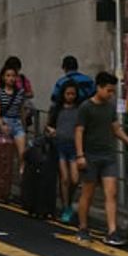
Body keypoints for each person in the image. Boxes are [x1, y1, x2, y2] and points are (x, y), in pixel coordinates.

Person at [75, 72, 128, 246]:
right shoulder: (86, 107)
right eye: (108, 90)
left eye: (112, 91)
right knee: (87, 194)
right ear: (98, 87)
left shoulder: (110, 107)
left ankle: (112, 231)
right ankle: (83, 227)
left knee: (110, 193)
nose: (111, 94)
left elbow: (115, 128)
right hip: (90, 156)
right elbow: (79, 131)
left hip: (108, 156)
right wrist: (80, 155)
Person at [46, 81, 82, 224]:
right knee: (65, 179)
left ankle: (69, 204)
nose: (70, 97)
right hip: (60, 145)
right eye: (68, 94)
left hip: (74, 147)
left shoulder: (79, 110)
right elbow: (48, 126)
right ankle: (66, 207)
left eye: (73, 94)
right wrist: (51, 131)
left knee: (75, 179)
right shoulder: (57, 109)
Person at [0, 64, 29, 170]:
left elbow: (21, 109)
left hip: (17, 123)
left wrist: (24, 124)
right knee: (4, 155)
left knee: (22, 154)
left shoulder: (20, 92)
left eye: (13, 76)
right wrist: (1, 125)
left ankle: (22, 174)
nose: (11, 78)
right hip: (4, 122)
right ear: (3, 77)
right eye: (8, 75)